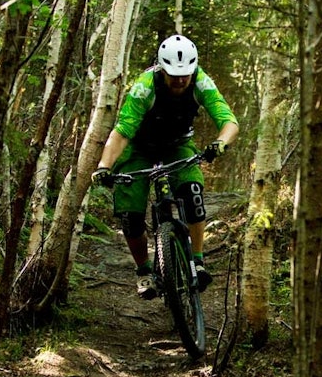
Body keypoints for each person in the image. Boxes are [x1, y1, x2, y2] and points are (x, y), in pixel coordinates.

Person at [91, 34, 239, 298]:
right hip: (139, 148)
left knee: (192, 191)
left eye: (186, 74)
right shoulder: (145, 86)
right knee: (131, 212)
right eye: (173, 75)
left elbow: (228, 120)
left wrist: (220, 143)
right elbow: (122, 131)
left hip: (177, 144)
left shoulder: (201, 82)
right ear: (162, 68)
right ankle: (144, 271)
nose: (181, 80)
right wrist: (105, 165)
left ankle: (197, 260)